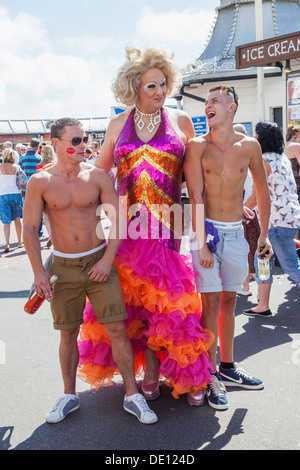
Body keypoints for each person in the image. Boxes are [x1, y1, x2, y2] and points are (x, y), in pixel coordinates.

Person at [78, 46, 215, 407]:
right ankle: (150, 372)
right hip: (128, 230)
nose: (159, 91)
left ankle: (189, 373)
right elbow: (97, 173)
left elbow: (196, 182)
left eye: (163, 84)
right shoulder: (116, 125)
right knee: (137, 306)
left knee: (171, 305)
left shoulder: (181, 121)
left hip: (168, 227)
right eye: (151, 86)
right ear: (134, 87)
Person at [23, 117, 157, 425]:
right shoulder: (39, 182)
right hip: (62, 268)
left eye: (84, 139)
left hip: (99, 263)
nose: (83, 145)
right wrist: (38, 274)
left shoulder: (98, 176)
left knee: (117, 330)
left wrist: (107, 259)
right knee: (67, 332)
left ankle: (133, 396)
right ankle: (69, 395)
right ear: (55, 144)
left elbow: (118, 221)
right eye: (75, 141)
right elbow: (30, 229)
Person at [184, 86, 272, 410]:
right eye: (206, 101)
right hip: (206, 233)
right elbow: (194, 197)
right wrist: (202, 244)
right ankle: (209, 376)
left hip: (236, 232)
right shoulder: (196, 146)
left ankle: (228, 367)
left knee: (230, 300)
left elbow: (263, 189)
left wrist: (263, 235)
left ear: (231, 107)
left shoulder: (249, 145)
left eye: (215, 101)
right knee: (208, 305)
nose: (208, 105)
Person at [243, 121, 300, 318]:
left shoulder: (263, 161)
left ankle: (263, 305)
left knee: (291, 267)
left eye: (256, 134)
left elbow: (257, 195)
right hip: (285, 219)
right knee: (263, 263)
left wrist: (238, 211)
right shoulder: (282, 158)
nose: (254, 138)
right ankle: (263, 306)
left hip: (276, 222)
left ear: (262, 138)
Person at [233, 124, 260, 297]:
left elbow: (252, 195)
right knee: (254, 253)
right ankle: (254, 289)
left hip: (247, 214)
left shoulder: (245, 159)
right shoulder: (251, 157)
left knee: (247, 253)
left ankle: (246, 288)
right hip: (254, 213)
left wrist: (239, 213)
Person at [0, 148, 24, 252]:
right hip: (15, 194)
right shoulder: (17, 167)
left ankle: (7, 244)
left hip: (3, 194)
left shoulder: (0, 167)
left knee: (6, 222)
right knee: (17, 220)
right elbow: (23, 181)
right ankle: (19, 242)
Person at [284, 125, 300, 202]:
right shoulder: (297, 146)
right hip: (297, 186)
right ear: (298, 135)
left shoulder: (282, 146)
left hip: (285, 186)